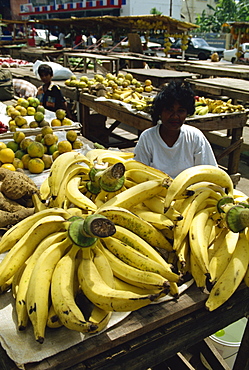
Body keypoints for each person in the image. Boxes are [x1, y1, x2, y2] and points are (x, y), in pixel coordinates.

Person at [134, 81, 217, 178]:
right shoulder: (147, 138)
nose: (175, 116)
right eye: (169, 110)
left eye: (181, 111)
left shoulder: (195, 137)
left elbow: (210, 172)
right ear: (160, 111)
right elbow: (138, 173)